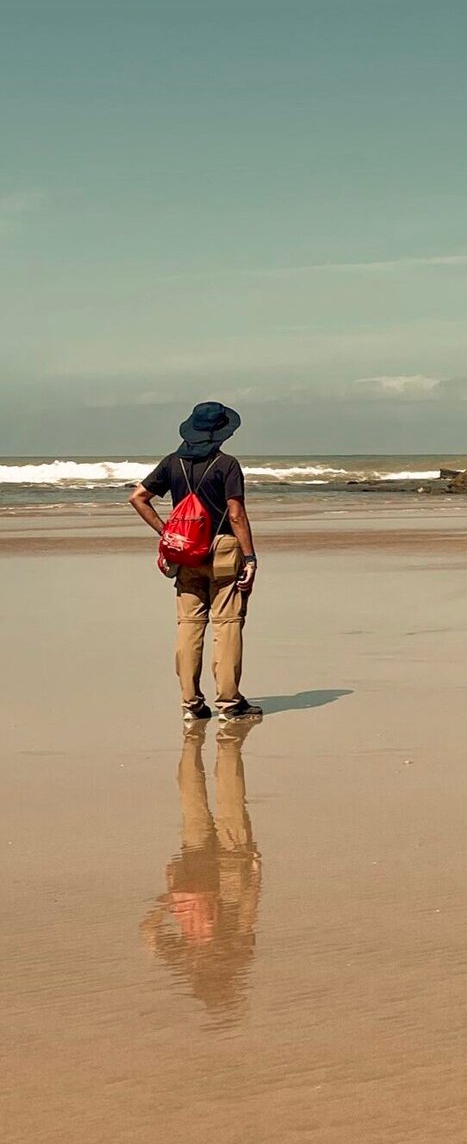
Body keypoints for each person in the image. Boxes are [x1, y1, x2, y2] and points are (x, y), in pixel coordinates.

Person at [130, 401, 261, 722]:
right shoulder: (226, 464)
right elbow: (236, 514)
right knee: (227, 625)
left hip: (186, 552)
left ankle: (191, 704)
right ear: (221, 433)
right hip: (224, 550)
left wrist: (167, 534)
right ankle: (230, 704)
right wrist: (251, 557)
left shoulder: (172, 462)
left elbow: (138, 497)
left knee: (189, 626)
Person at [140, 719, 262, 1023]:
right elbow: (149, 933)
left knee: (225, 804)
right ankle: (201, 743)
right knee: (197, 804)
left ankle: (203, 742)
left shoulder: (190, 961)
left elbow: (247, 912)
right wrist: (170, 902)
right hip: (203, 876)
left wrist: (255, 875)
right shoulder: (211, 959)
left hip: (219, 874)